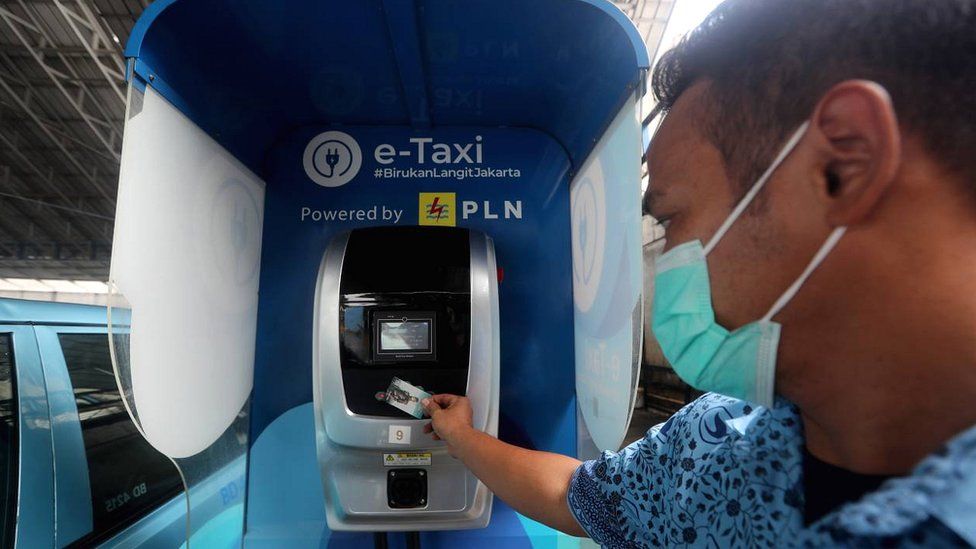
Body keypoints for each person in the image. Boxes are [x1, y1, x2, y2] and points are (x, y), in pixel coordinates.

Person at [420, 0, 976, 546]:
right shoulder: (715, 441)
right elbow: (574, 495)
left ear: (844, 164)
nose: (666, 262)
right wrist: (462, 436)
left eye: (669, 217)